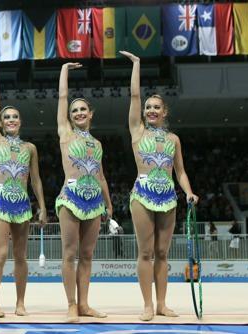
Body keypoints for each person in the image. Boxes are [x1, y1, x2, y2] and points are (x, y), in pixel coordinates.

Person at [121, 51, 198, 321]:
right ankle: (146, 304)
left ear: (164, 112)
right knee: (145, 251)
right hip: (142, 195)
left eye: (156, 107)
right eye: (148, 107)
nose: (151, 110)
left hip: (168, 197)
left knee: (163, 253)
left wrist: (188, 192)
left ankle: (162, 304)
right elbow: (133, 96)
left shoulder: (174, 139)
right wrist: (137, 65)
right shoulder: (137, 132)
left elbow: (181, 171)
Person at [0, 62, 47, 318]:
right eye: (6, 117)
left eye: (14, 117)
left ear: (20, 121)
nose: (10, 120)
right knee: (2, 253)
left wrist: (42, 207)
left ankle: (20, 302)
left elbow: (36, 180)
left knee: (21, 256)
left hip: (23, 204)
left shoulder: (30, 148)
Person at [56, 63, 112, 322]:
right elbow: (63, 97)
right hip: (70, 199)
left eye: (82, 110)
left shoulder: (97, 143)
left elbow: (100, 175)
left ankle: (84, 304)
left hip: (94, 202)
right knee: (70, 253)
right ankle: (70, 304)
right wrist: (65, 70)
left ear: (91, 114)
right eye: (74, 111)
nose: (78, 113)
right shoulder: (66, 133)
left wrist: (108, 205)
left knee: (87, 255)